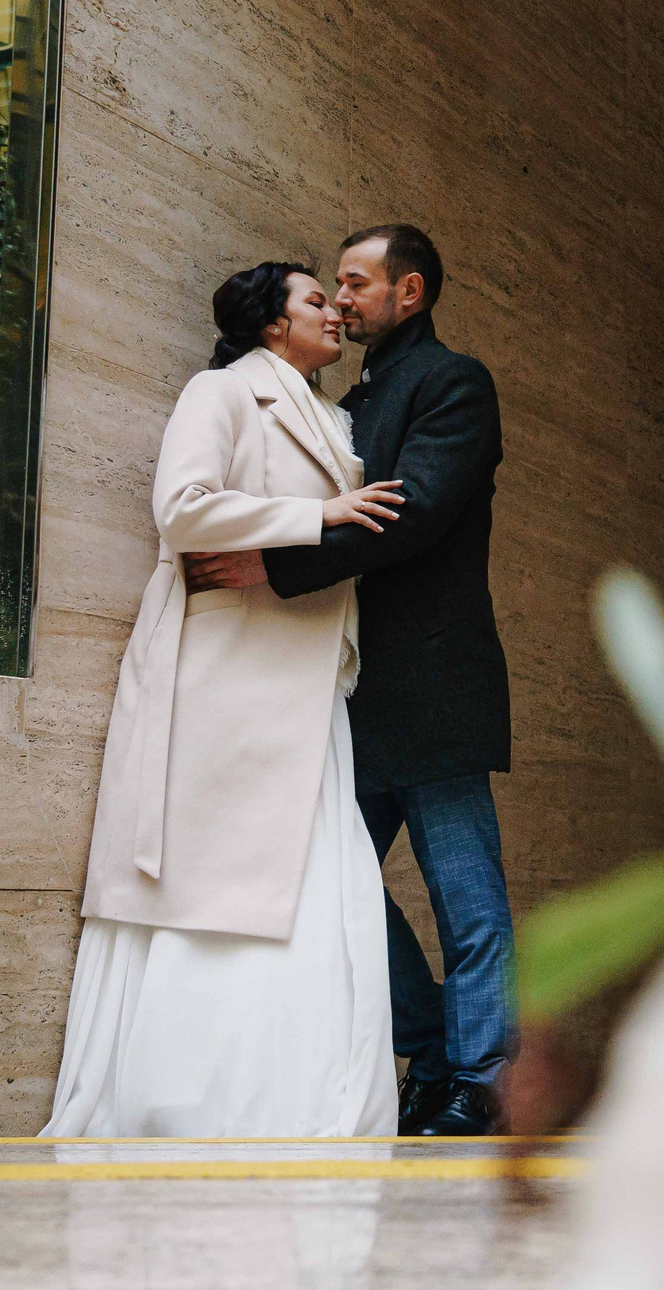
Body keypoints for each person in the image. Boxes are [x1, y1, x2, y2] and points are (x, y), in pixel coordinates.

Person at [42, 263, 407, 1137]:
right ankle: (201, 1103)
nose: (333, 311)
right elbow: (182, 509)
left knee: (330, 885)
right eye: (315, 298)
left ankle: (316, 1103)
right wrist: (318, 518)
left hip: (308, 684)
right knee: (221, 895)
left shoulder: (334, 416)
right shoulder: (222, 391)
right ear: (272, 324)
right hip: (229, 681)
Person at [185, 225, 516, 1137]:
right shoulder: (346, 401)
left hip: (437, 683)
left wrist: (272, 567)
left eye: (358, 283)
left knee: (468, 899)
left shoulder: (454, 383)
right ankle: (435, 1045)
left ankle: (480, 1076)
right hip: (350, 692)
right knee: (331, 886)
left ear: (410, 292)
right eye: (333, 285)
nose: (341, 299)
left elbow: (410, 513)